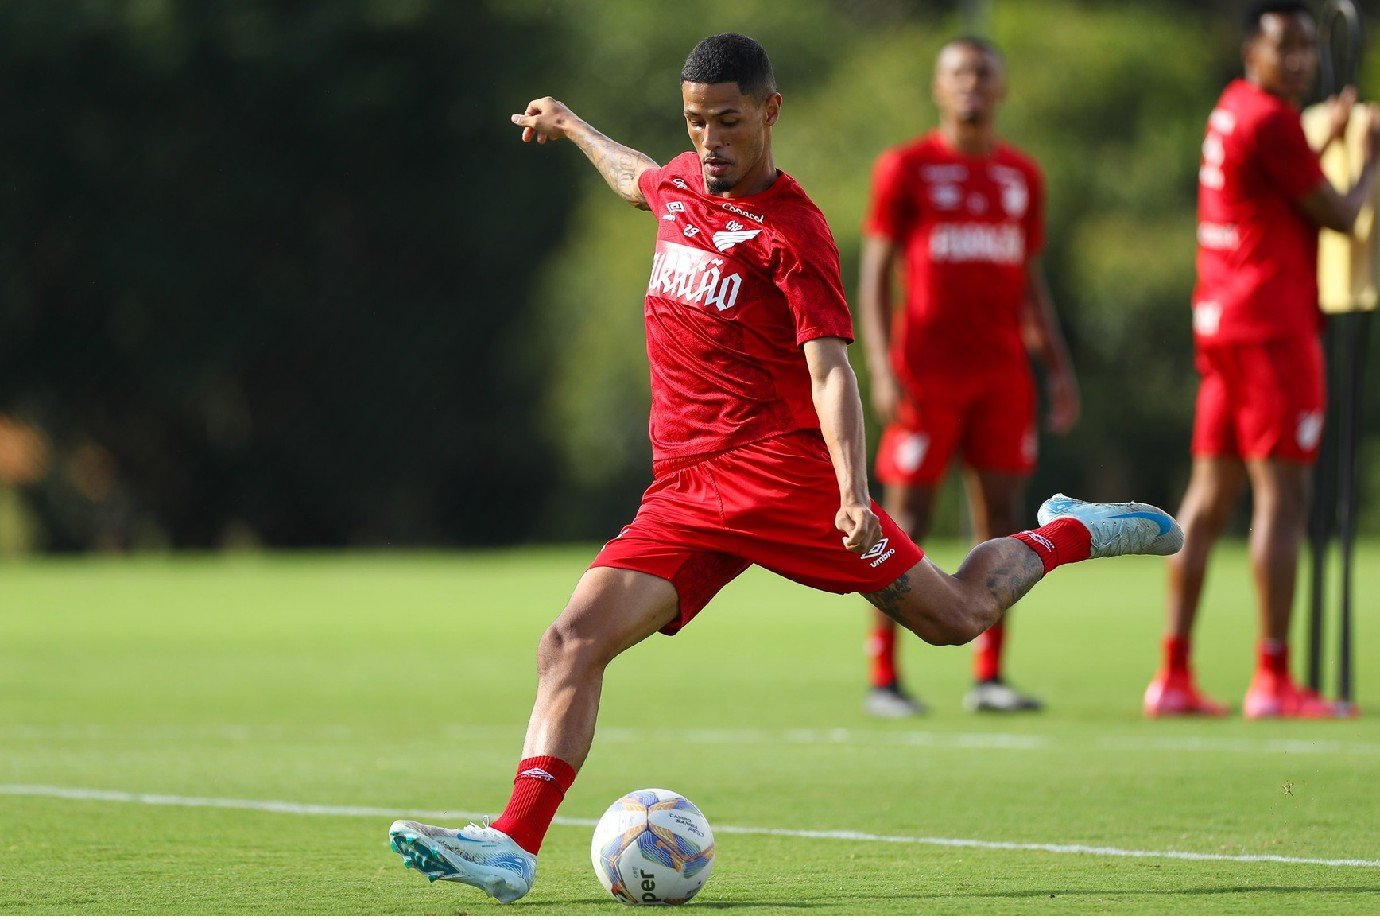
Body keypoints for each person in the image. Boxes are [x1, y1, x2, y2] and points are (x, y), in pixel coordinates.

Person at [386, 33, 1183, 905]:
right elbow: (635, 175)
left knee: (955, 619)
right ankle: (512, 845)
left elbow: (831, 371)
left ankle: (1066, 531)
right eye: (696, 124)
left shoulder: (794, 232)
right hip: (684, 491)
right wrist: (571, 123)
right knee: (569, 642)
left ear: (769, 111)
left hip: (780, 481)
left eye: (728, 122)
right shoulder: (682, 184)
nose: (710, 142)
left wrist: (853, 491)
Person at [1144, 0, 1380, 719]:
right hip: (1273, 326)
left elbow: (1280, 182)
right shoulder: (1272, 120)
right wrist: (1369, 159)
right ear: (1254, 51)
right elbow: (1340, 215)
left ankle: (1173, 674)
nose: (1303, 60)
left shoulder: (1234, 108)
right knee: (1285, 498)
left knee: (1209, 500)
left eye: (1309, 48)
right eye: (1288, 48)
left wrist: (1328, 134)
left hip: (1220, 322)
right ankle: (1273, 680)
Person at [858, 37, 1080, 717]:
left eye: (984, 75)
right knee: (903, 519)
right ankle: (885, 679)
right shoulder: (907, 167)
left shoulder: (1022, 177)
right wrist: (880, 366)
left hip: (1001, 374)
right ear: (939, 87)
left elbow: (1029, 281)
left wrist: (1058, 367)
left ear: (1001, 89)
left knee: (1003, 519)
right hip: (925, 374)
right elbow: (872, 277)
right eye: (959, 74)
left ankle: (989, 674)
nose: (972, 86)